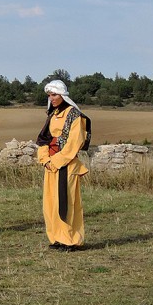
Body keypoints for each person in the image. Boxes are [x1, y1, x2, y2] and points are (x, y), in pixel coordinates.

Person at [36, 80, 89, 250]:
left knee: (67, 203)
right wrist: (45, 159)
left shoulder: (75, 115)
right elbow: (44, 139)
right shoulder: (53, 115)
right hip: (51, 165)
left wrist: (56, 161)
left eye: (55, 95)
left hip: (66, 165)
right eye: (49, 95)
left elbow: (74, 143)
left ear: (63, 95)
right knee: (51, 203)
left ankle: (71, 239)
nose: (51, 98)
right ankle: (57, 237)